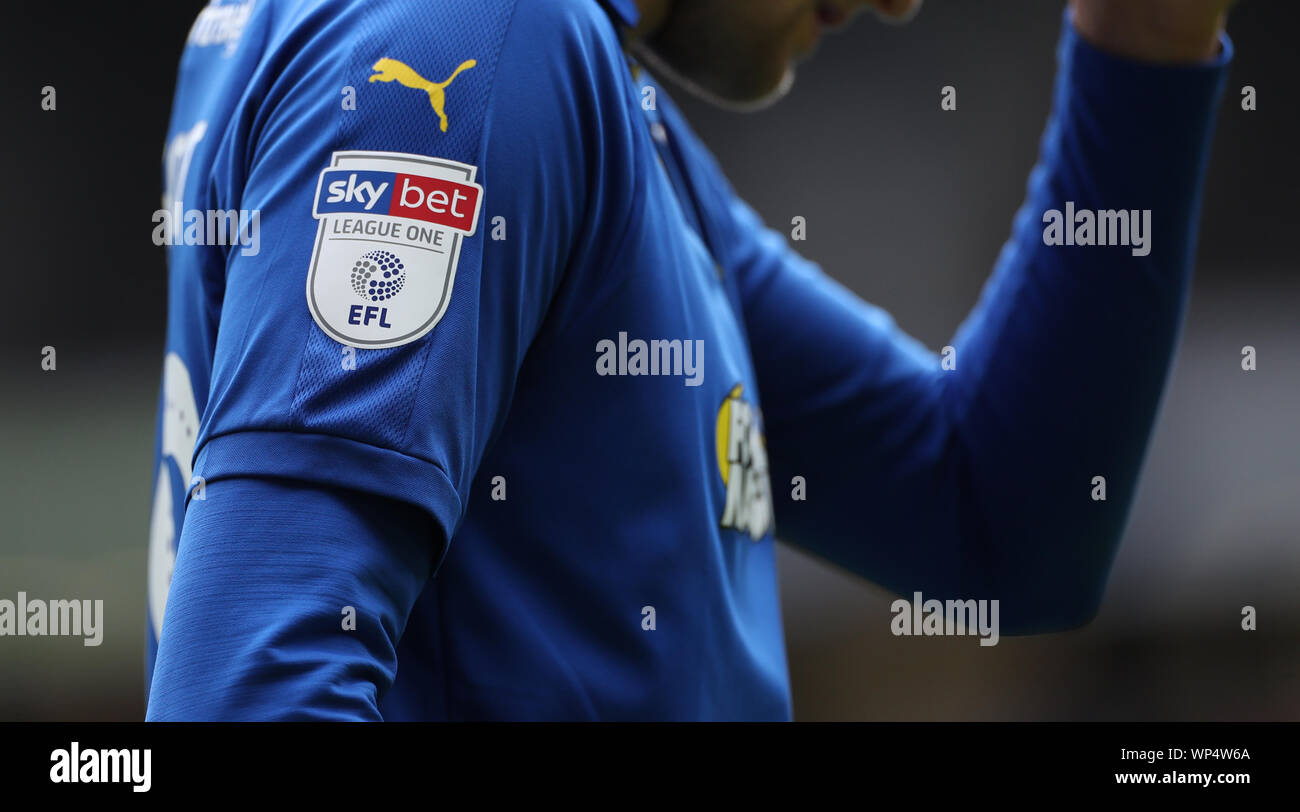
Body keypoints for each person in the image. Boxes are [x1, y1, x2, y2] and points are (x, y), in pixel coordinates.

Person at [146, 0, 1234, 720]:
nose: (904, 0)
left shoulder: (579, 97)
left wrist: (1147, 38)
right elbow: (247, 697)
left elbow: (994, 523)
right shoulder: (474, 34)